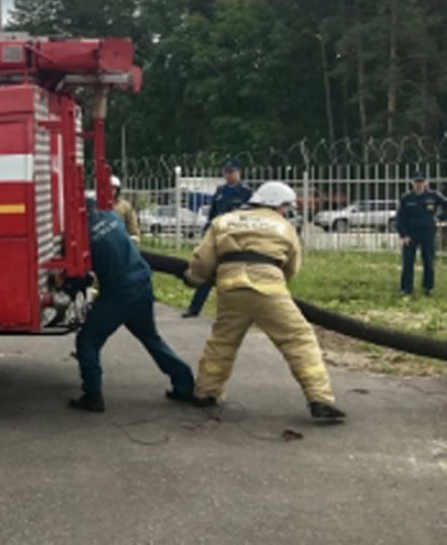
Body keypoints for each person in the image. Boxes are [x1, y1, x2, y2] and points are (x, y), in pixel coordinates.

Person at [183, 181, 345, 421]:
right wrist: (279, 282)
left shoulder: (224, 221)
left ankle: (206, 392)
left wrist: (193, 278)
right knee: (298, 339)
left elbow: (203, 259)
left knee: (222, 342)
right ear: (276, 204)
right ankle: (319, 398)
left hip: (230, 288)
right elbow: (292, 265)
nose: (285, 211)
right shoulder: (283, 226)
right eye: (285, 207)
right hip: (268, 288)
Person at [69, 201, 195, 412]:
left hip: (118, 294)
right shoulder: (111, 217)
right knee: (151, 338)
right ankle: (185, 384)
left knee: (88, 341)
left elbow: (82, 275)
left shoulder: (83, 238)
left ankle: (92, 396)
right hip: (142, 286)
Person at [182, 158, 253, 318]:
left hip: (236, 237)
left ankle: (240, 311)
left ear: (238, 173)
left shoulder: (246, 192)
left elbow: (250, 216)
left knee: (237, 274)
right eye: (226, 172)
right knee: (207, 272)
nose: (228, 176)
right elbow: (213, 214)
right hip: (219, 236)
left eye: (232, 172)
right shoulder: (220, 191)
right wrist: (207, 232)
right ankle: (194, 308)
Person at [397, 172, 447, 296]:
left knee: (429, 261)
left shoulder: (433, 196)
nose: (419, 185)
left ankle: (428, 288)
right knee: (408, 262)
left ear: (426, 183)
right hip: (411, 234)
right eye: (416, 182)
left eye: (421, 182)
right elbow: (400, 218)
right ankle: (406, 289)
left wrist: (440, 218)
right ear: (412, 183)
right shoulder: (406, 198)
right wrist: (403, 235)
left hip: (428, 232)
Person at [111, 175, 141, 243]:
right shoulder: (97, 205)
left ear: (117, 190)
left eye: (113, 188)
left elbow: (132, 224)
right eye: (108, 188)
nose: (111, 190)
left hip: (121, 241)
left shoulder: (125, 206)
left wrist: (134, 237)